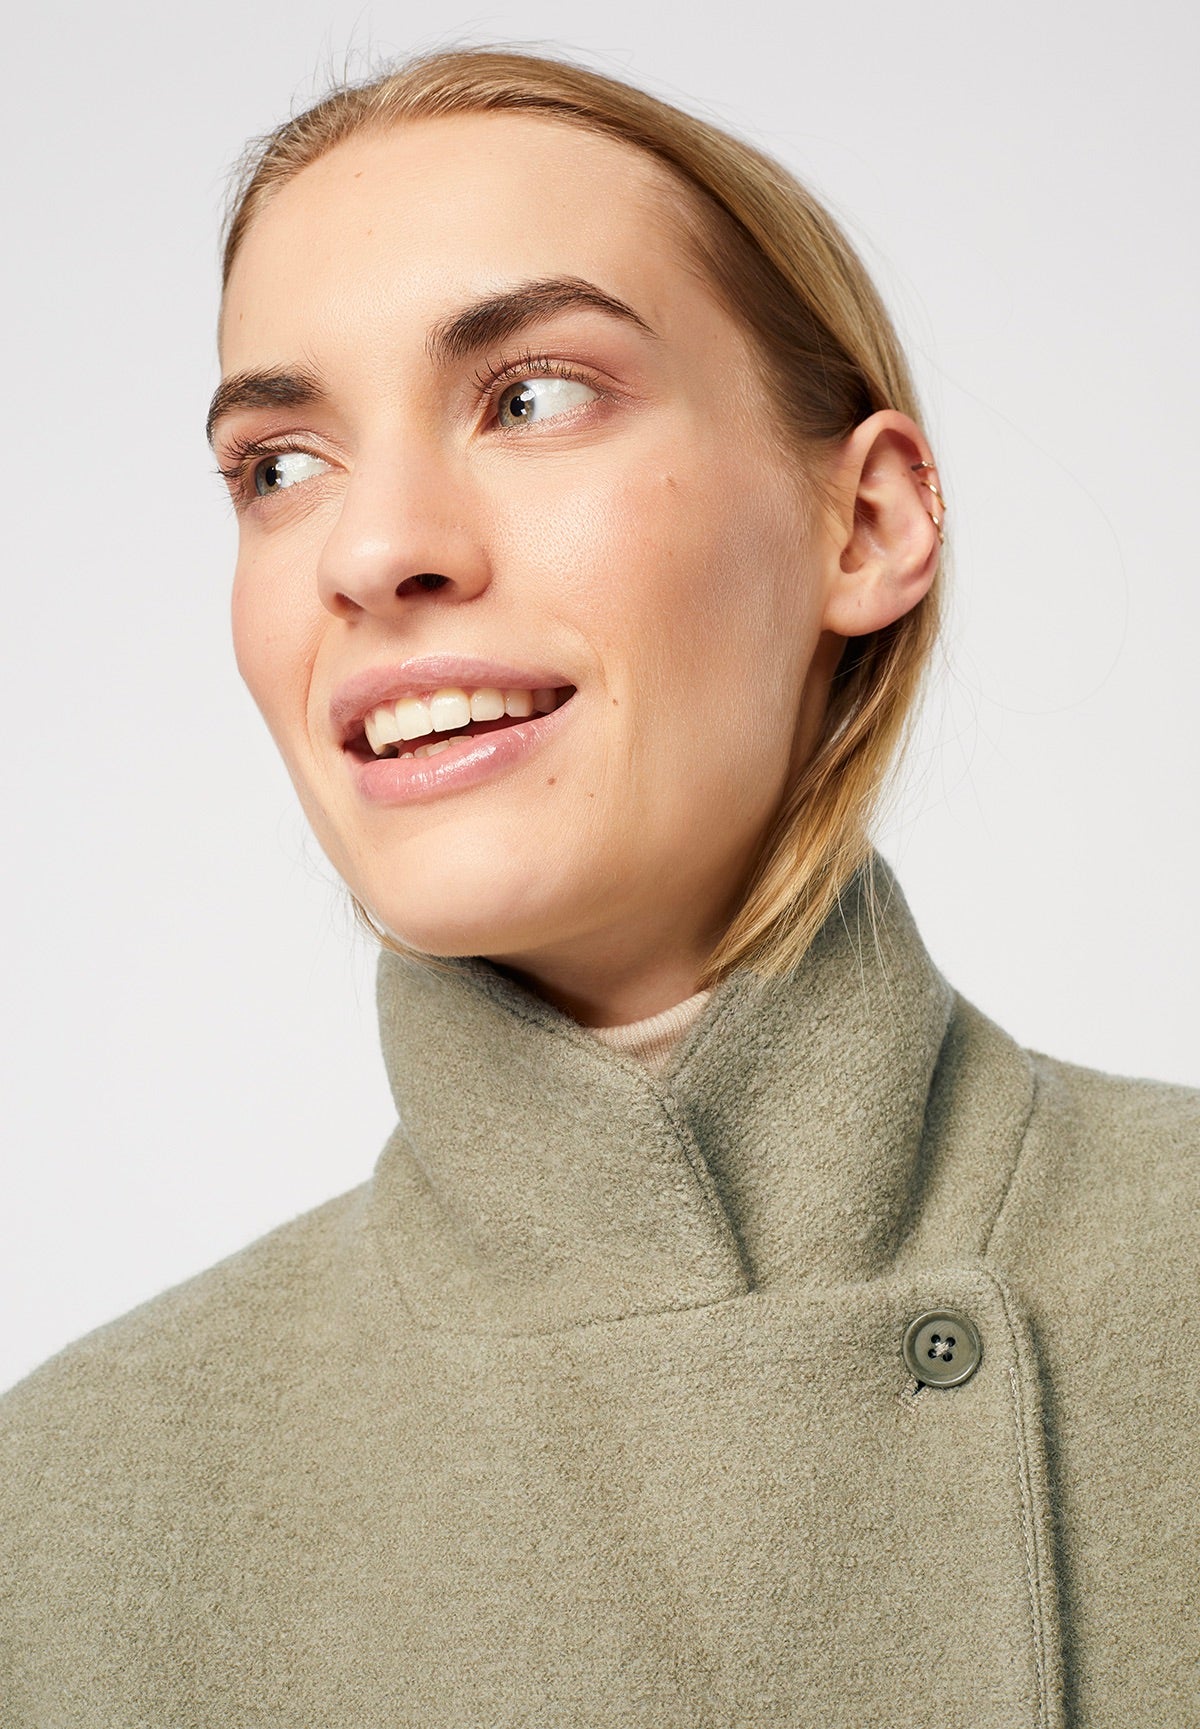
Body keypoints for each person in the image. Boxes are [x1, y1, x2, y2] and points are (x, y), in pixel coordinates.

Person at [1, 42, 1195, 1726]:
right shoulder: (66, 1510)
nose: (371, 550)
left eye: (534, 396)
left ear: (866, 523)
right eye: (280, 465)